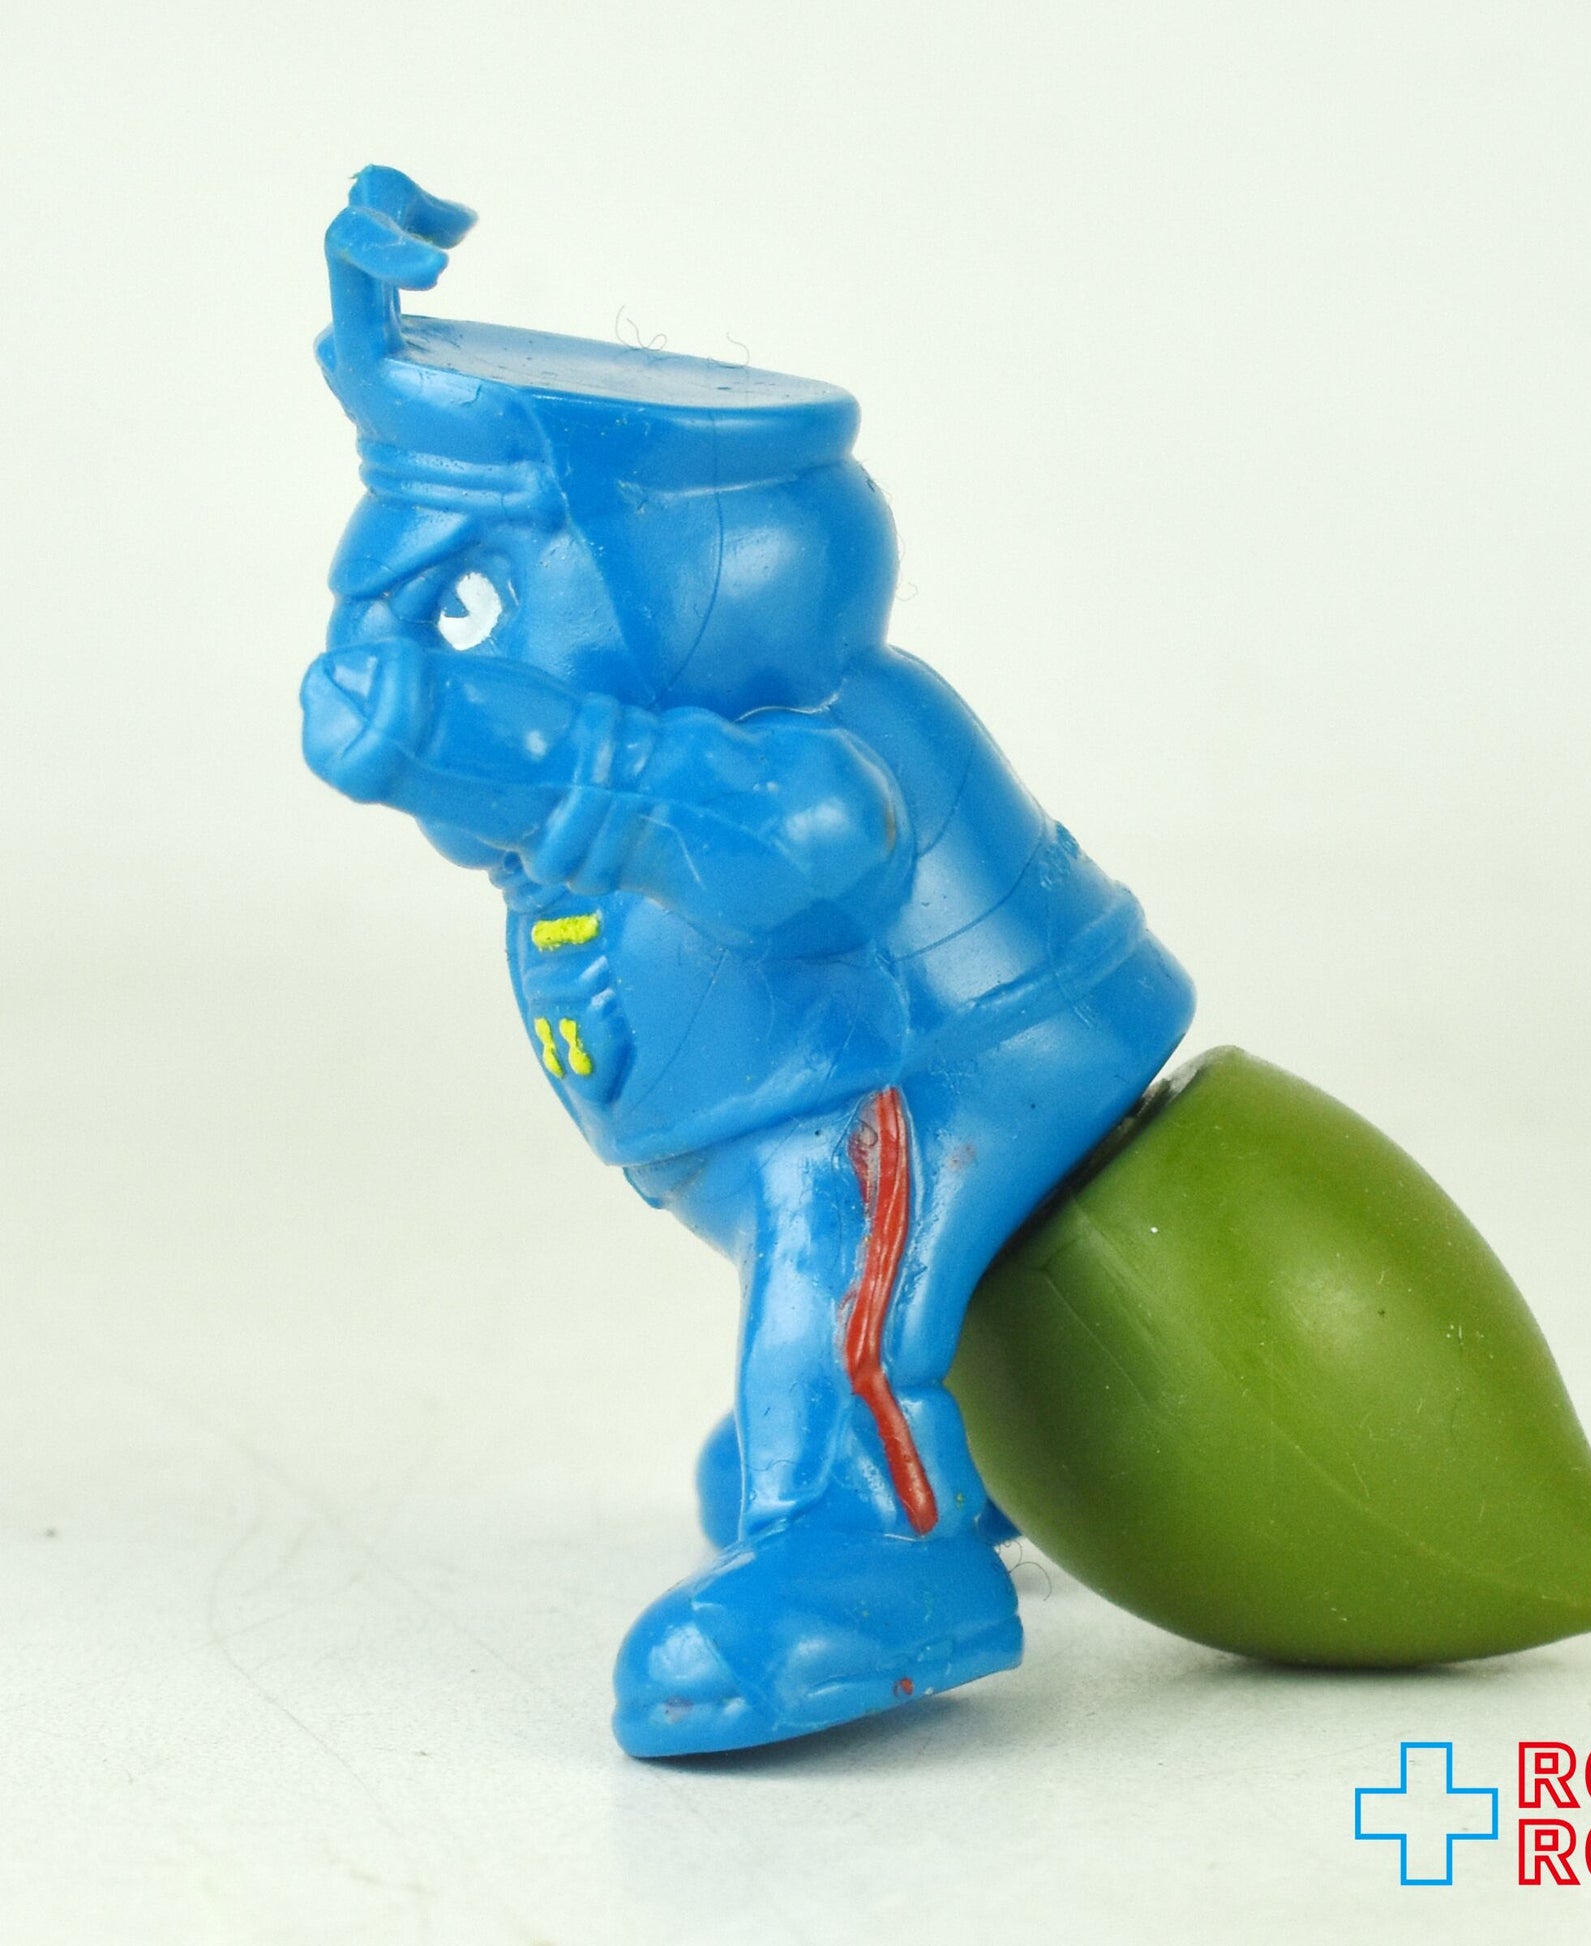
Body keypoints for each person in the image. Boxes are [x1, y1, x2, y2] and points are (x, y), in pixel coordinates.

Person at [302, 167, 1194, 1756]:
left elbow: (780, 849)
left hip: (933, 1070)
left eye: (471, 599)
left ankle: (873, 1546)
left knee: (826, 1247)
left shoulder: (811, 743)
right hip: (820, 1084)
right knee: (815, 1263)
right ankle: (931, 1432)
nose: (408, 647)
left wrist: (519, 744)